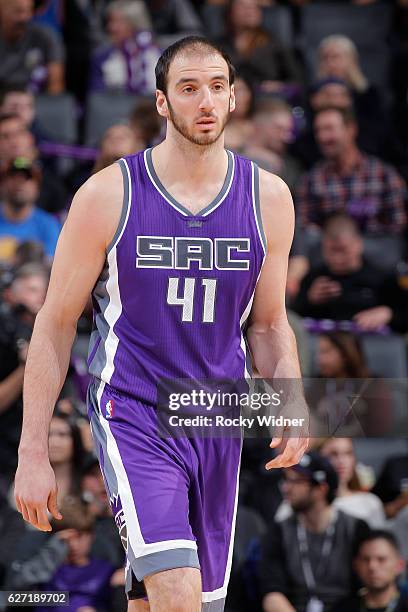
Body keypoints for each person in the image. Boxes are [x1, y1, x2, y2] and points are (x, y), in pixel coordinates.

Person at [14, 36, 309, 611]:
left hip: (217, 418)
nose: (206, 101)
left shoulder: (268, 198)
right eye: (189, 88)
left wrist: (290, 399)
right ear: (161, 102)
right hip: (135, 412)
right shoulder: (108, 194)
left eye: (218, 87)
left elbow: (270, 325)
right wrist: (32, 451)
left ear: (233, 99)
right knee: (177, 593)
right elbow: (53, 324)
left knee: (175, 603)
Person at [260, 451, 369, 612]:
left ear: (321, 489)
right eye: (285, 480)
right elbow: (271, 594)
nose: (286, 487)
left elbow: (366, 588)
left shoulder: (356, 528)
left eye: (295, 481)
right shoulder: (279, 531)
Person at [296, 106, 407, 236]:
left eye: (329, 129)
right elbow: (303, 228)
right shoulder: (311, 180)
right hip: (327, 250)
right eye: (318, 131)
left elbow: (398, 224)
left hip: (376, 249)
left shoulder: (383, 174)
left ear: (350, 129)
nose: (322, 137)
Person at [292, 214, 407, 332]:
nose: (338, 258)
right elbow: (293, 316)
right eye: (332, 250)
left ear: (358, 244)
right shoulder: (313, 278)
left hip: (373, 343)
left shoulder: (382, 279)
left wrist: (389, 313)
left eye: (343, 250)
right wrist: (309, 299)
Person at [0, 262, 49, 490]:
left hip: (43, 436)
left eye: (43, 289)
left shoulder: (53, 332)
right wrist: (27, 366)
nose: (40, 295)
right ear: (10, 295)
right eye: (31, 289)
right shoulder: (4, 330)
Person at [89, 0, 161, 94]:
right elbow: (97, 99)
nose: (110, 27)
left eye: (116, 22)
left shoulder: (158, 55)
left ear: (134, 23)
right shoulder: (101, 58)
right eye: (110, 22)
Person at [0, 157, 61, 262]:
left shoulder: (49, 225)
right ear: (2, 184)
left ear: (37, 188)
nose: (19, 182)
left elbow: (50, 264)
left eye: (27, 177)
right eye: (13, 176)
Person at [331, 530, 408, 612]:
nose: (372, 566)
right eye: (365, 559)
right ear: (356, 565)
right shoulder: (342, 608)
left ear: (400, 565)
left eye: (381, 559)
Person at [0, 0, 65, 93]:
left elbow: (55, 84)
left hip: (36, 100)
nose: (24, 18)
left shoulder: (45, 36)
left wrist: (50, 105)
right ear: (2, 11)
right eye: (18, 11)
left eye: (28, 11)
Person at [319, 438, 385, 527]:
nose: (341, 461)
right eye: (333, 454)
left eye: (348, 453)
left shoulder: (370, 502)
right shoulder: (307, 505)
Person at [243, 97, 303, 192]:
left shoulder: (290, 166)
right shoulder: (228, 155)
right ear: (260, 125)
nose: (286, 137)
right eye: (279, 129)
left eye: (288, 131)